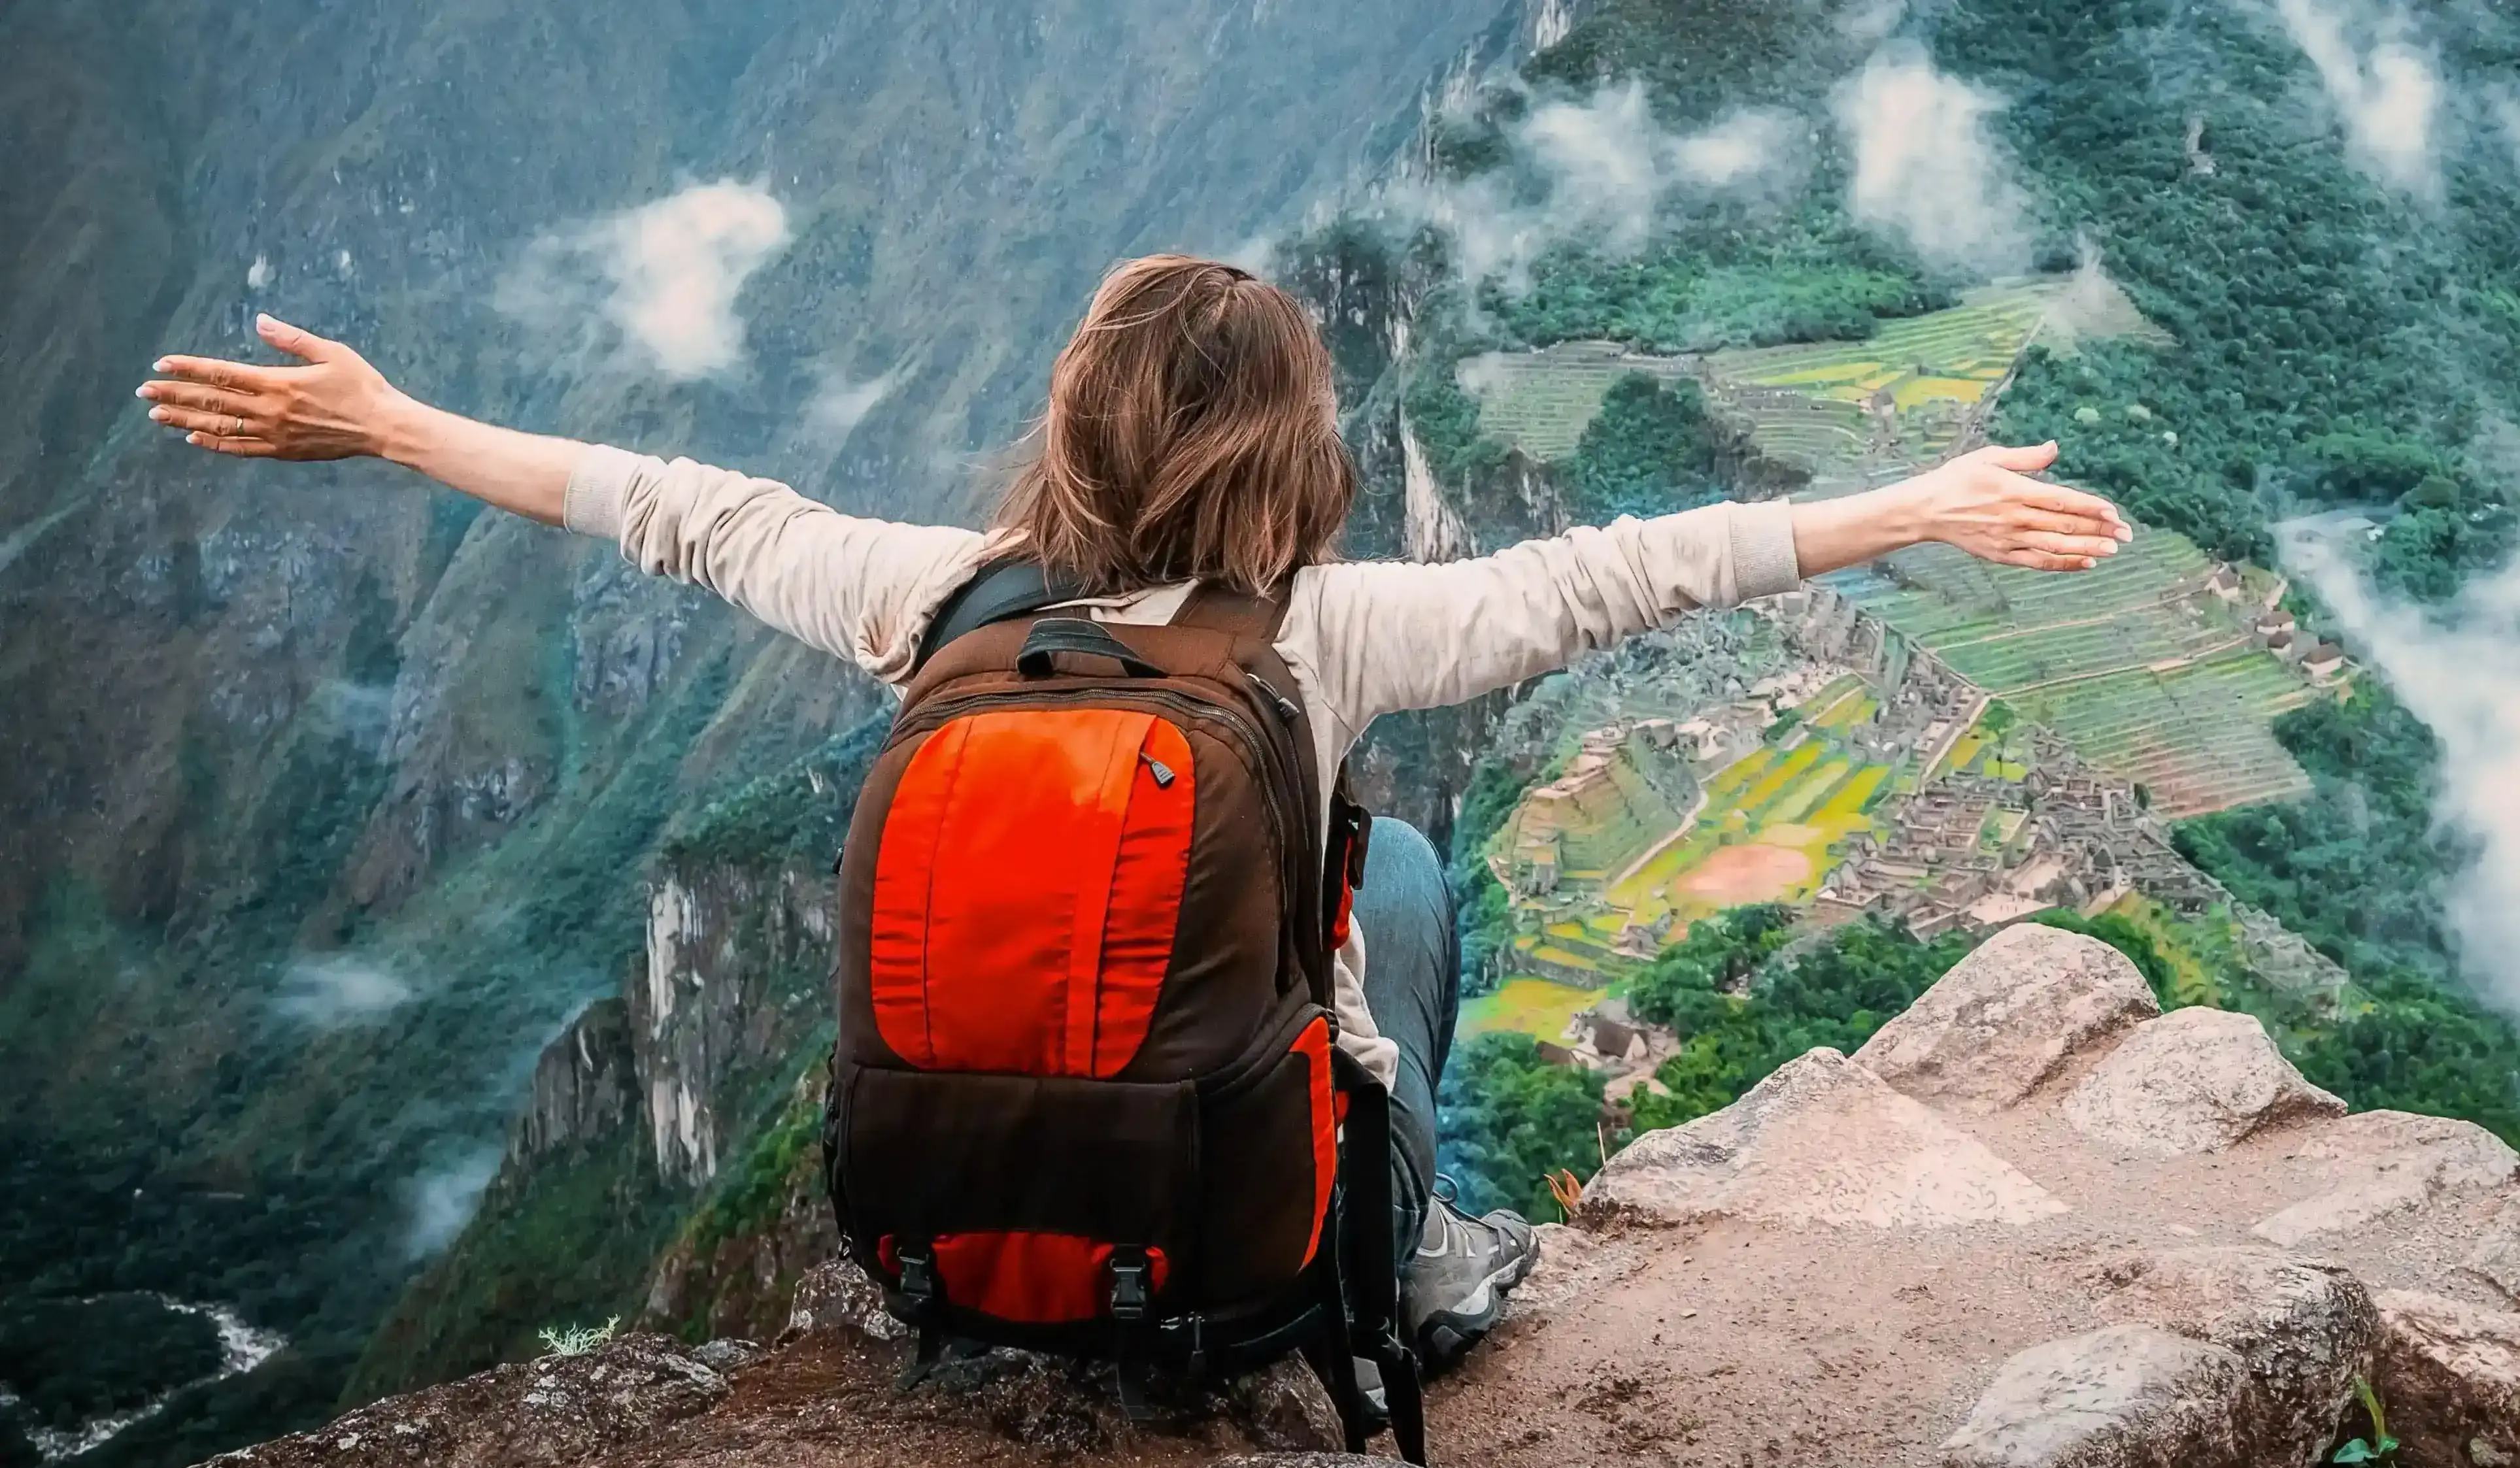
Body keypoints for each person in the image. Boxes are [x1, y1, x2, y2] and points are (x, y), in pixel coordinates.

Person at [140, 254, 2126, 1367]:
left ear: (1070, 440)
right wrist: (1915, 505)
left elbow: (669, 505)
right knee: (1405, 875)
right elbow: (1631, 571)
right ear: (1298, 460)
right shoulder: (1329, 639)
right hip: (1248, 1273)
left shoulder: (930, 601)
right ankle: (1414, 1273)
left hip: (939, 1250)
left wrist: (392, 424)